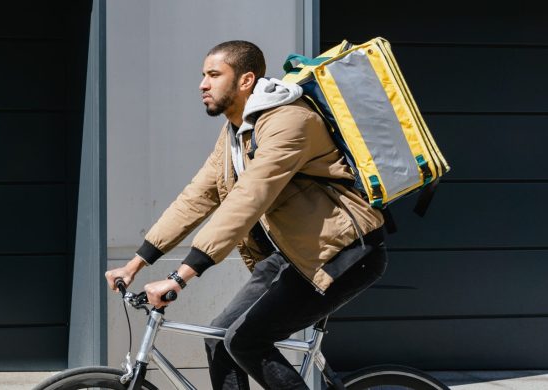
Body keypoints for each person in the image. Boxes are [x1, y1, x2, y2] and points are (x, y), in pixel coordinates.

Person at [104, 40, 388, 390]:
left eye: (213, 75)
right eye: (203, 75)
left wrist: (179, 278)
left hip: (344, 254)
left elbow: (247, 200)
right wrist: (135, 264)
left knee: (245, 341)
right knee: (218, 338)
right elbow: (196, 198)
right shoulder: (236, 134)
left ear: (245, 80)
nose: (202, 84)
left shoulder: (290, 121)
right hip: (293, 255)